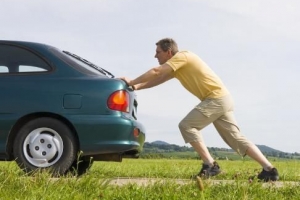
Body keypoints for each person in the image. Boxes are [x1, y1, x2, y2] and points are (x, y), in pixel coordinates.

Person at [120, 38, 279, 182]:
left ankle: (210, 165)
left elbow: (156, 72)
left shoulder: (183, 56)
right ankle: (269, 170)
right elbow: (158, 78)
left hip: (215, 98)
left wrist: (132, 80)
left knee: (187, 125)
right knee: (236, 138)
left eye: (158, 52)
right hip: (223, 99)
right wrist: (135, 86)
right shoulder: (177, 66)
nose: (156, 56)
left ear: (169, 52)